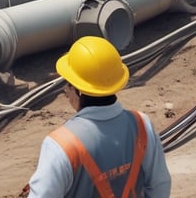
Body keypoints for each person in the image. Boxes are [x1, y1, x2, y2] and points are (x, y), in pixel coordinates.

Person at [26, 36, 171, 198]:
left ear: (79, 90)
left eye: (68, 83)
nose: (65, 90)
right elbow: (160, 185)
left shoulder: (60, 145)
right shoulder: (142, 125)